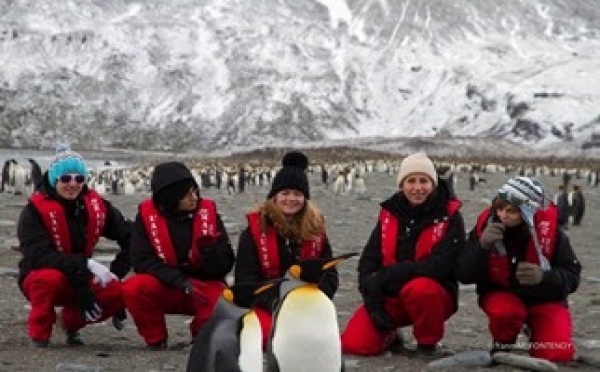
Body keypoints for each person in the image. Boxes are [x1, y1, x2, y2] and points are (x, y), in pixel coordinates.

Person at [341, 152, 465, 357]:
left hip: (433, 296)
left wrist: (389, 275)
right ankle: (391, 334)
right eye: (411, 181)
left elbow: (441, 266)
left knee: (420, 289)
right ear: (401, 184)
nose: (417, 188)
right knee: (355, 345)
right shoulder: (390, 213)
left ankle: (427, 344)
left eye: (424, 181)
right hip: (391, 295)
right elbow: (368, 262)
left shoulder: (449, 216)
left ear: (433, 184)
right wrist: (373, 307)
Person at [455, 176, 581, 362]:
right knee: (506, 313)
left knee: (557, 353)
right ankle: (503, 345)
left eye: (512, 211)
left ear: (527, 211)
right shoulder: (486, 228)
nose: (503, 215)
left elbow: (572, 276)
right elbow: (463, 274)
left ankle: (537, 335)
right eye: (499, 208)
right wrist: (481, 247)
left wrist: (544, 276)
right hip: (503, 294)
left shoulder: (551, 233)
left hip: (545, 299)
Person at [17, 145, 132, 347]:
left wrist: (117, 271)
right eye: (65, 178)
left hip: (81, 277)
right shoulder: (33, 212)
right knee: (47, 278)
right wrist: (85, 263)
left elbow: (130, 235)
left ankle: (70, 322)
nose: (73, 184)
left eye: (79, 179)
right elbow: (37, 256)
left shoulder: (95, 206)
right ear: (54, 179)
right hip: (44, 275)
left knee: (120, 292)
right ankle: (40, 334)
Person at [122, 161, 234, 350]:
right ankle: (156, 339)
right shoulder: (146, 217)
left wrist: (210, 254)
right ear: (171, 197)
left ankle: (201, 338)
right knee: (134, 287)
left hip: (202, 286)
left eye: (195, 191)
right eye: (187, 194)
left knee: (224, 299)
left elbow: (227, 263)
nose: (195, 198)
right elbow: (141, 260)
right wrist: (179, 280)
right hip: (168, 285)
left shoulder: (208, 213)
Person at [234, 151, 339, 348]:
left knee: (316, 340)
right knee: (265, 337)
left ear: (305, 198)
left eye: (297, 194)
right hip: (268, 305)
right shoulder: (254, 232)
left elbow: (330, 275)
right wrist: (276, 302)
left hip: (307, 305)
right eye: (285, 193)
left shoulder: (316, 231)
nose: (291, 199)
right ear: (274, 196)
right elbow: (245, 280)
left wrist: (311, 301)